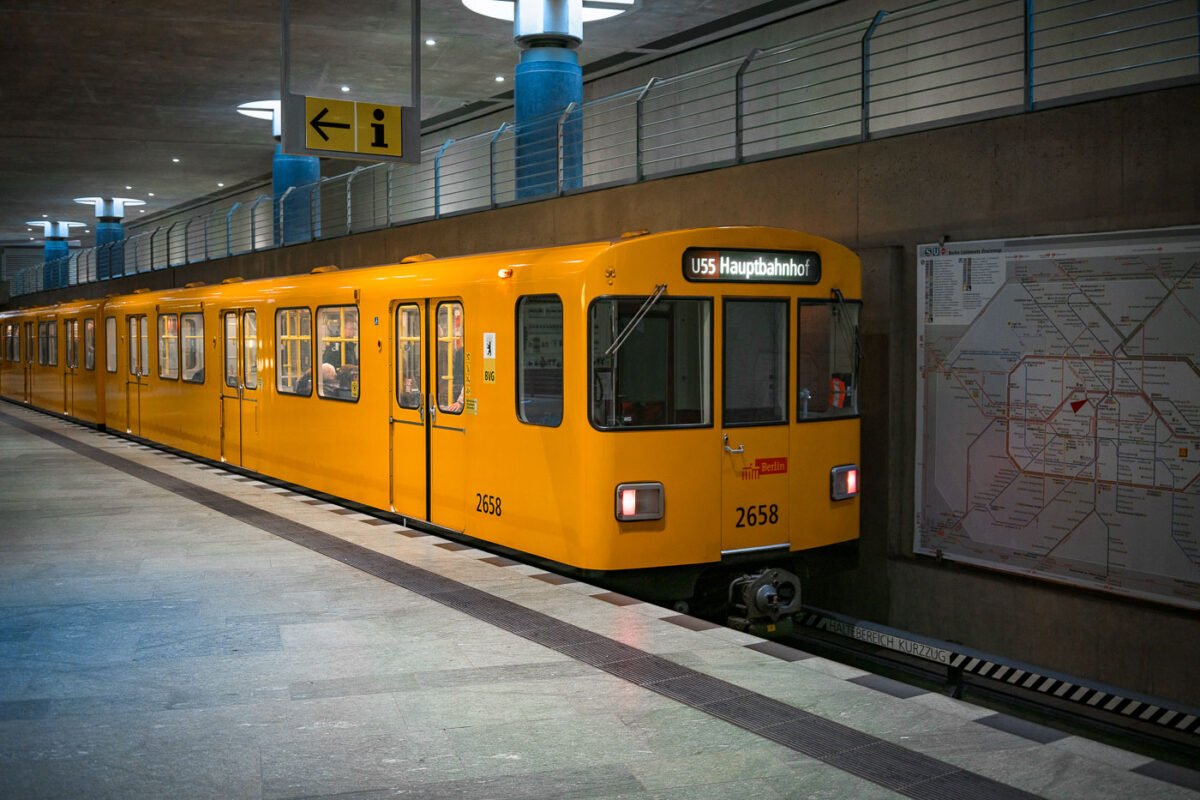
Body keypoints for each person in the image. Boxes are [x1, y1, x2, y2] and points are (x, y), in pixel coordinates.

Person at [321, 313, 359, 398]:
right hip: (341, 383)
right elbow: (328, 364)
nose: (354, 332)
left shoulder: (350, 345)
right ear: (343, 329)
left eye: (355, 329)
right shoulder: (335, 346)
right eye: (352, 329)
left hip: (351, 380)